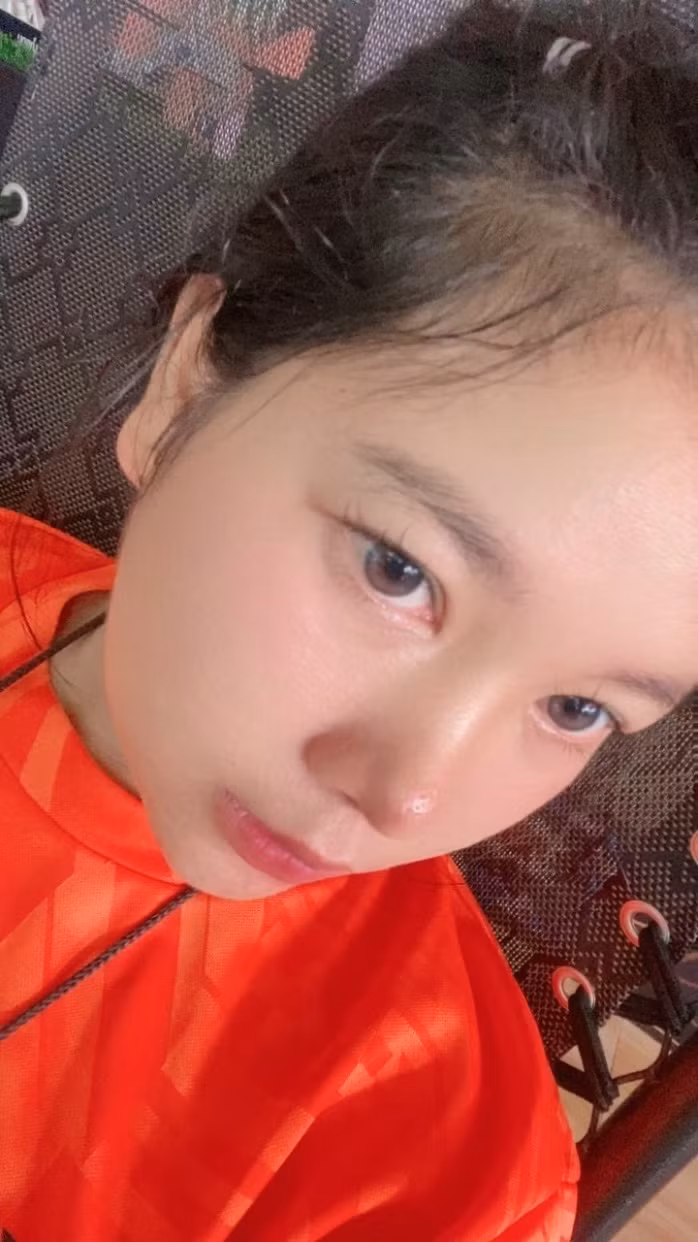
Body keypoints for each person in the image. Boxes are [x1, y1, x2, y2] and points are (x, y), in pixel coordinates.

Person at [1, 1, 697, 1237]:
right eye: (397, 570)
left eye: (575, 707)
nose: (408, 799)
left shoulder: (427, 1162)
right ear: (184, 388)